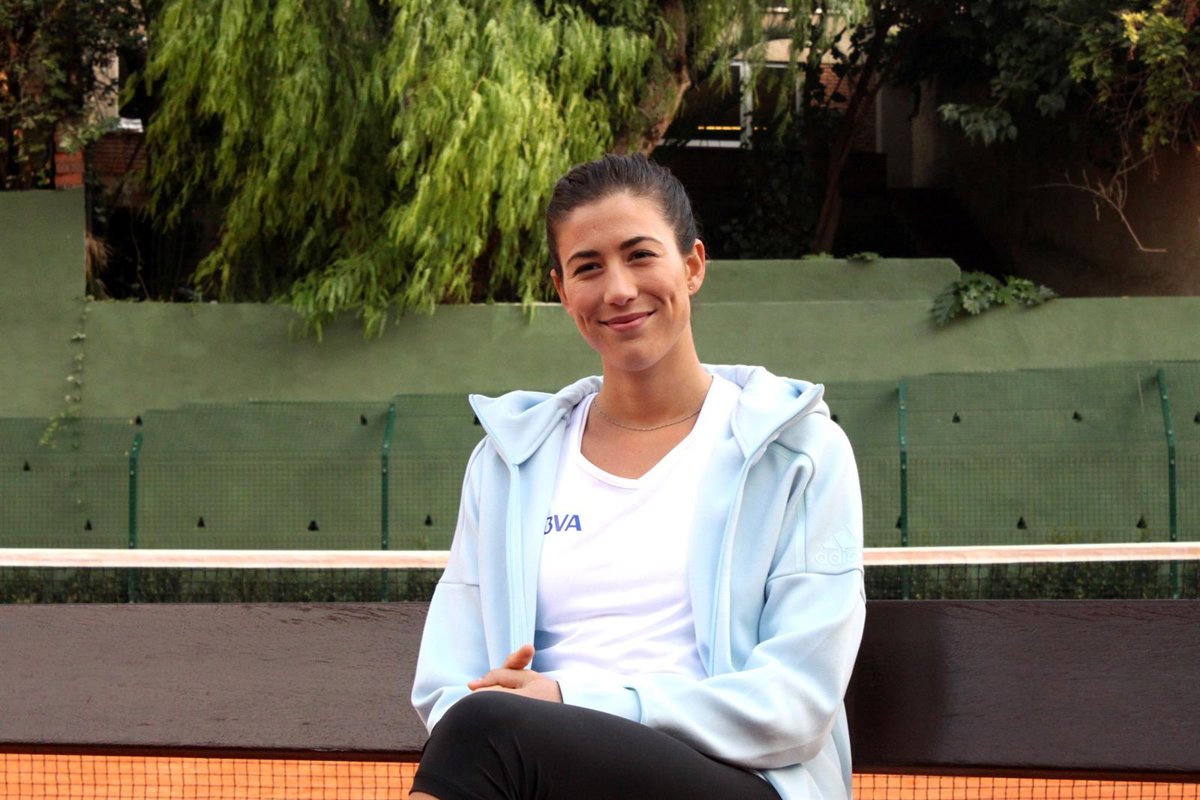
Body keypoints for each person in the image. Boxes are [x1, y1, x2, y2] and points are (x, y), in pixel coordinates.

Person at [409, 154, 865, 800]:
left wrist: (569, 699)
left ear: (693, 265)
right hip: (539, 770)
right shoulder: (507, 463)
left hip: (744, 779)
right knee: (481, 725)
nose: (618, 289)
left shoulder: (800, 451)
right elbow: (448, 684)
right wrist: (522, 712)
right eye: (587, 267)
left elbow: (796, 702)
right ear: (563, 292)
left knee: (486, 730)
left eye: (640, 255)